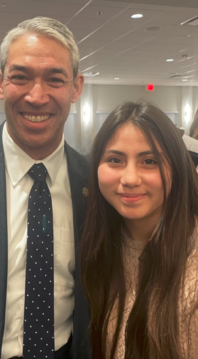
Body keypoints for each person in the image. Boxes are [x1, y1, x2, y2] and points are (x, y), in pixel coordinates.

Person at [0, 17, 91, 359]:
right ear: (0, 82)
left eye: (55, 79)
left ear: (76, 87)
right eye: (21, 77)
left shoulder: (94, 182)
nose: (36, 96)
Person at [81, 100, 198, 359]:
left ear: (176, 169)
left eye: (149, 161)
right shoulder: (98, 250)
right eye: (115, 160)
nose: (130, 179)